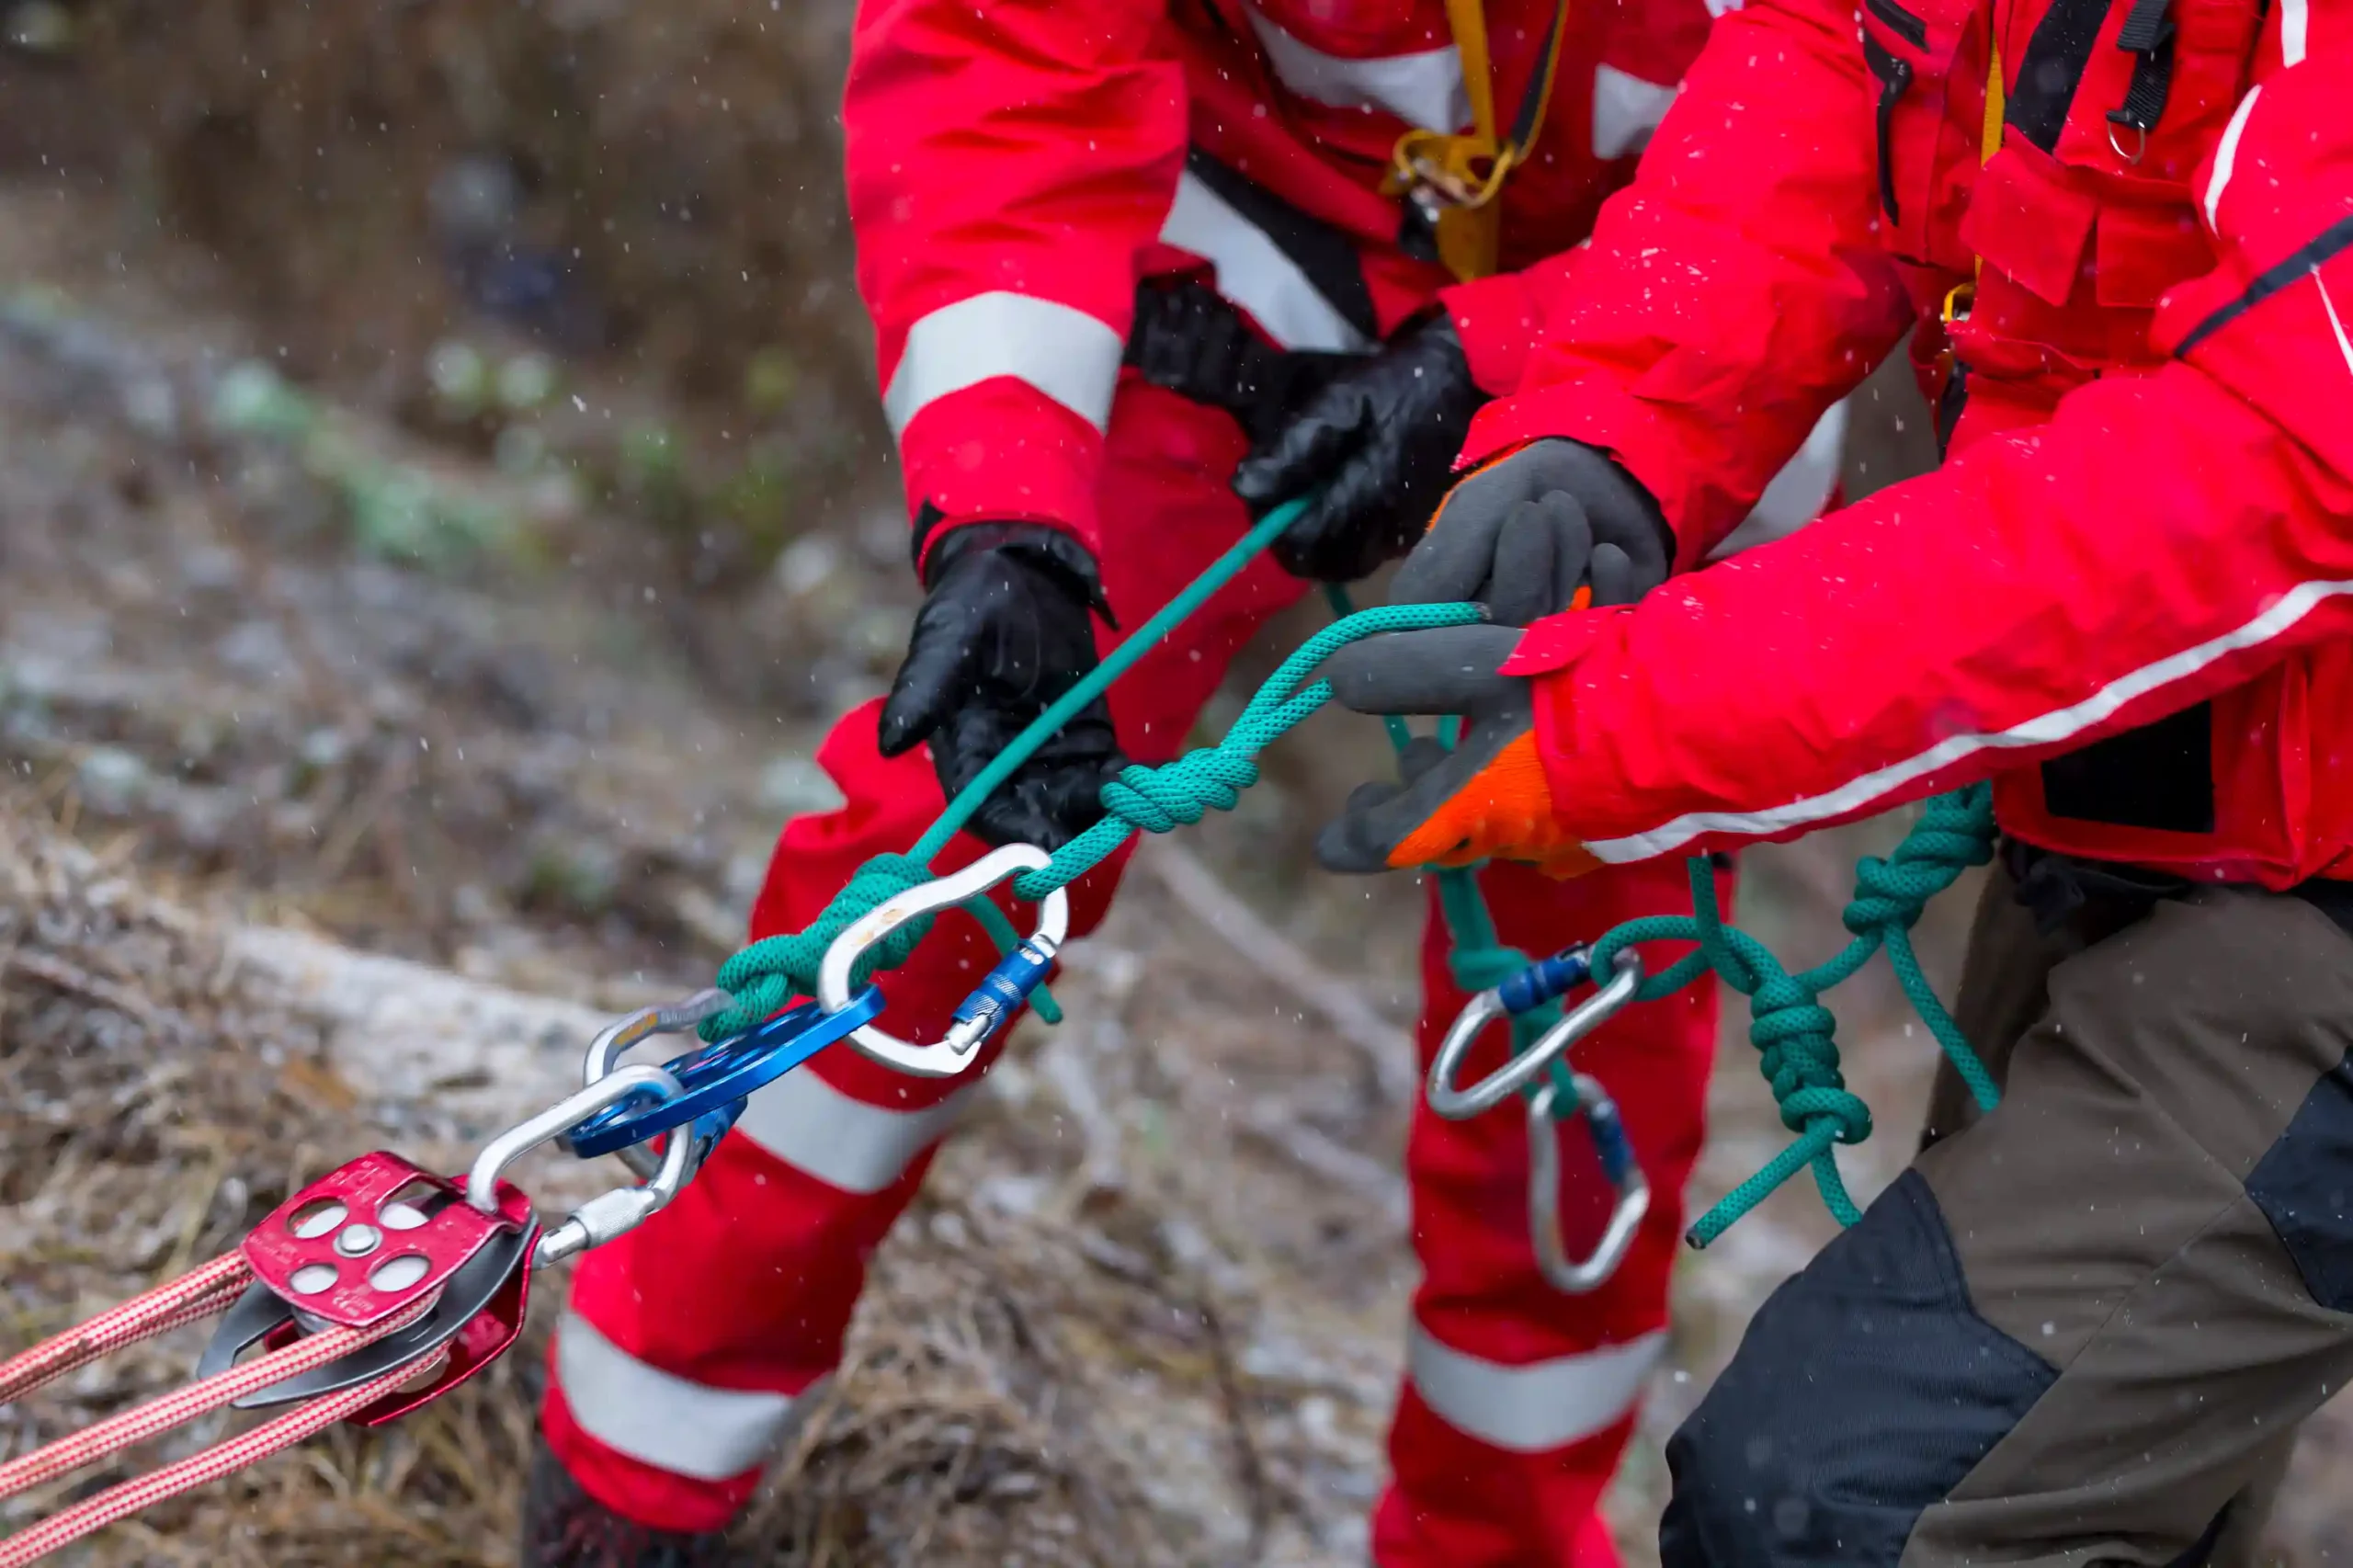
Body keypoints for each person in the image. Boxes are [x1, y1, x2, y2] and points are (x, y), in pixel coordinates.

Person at [517, 3, 1855, 1565]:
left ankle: (1495, 1540)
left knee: (1589, 1000)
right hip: (1231, 246)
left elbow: (1854, 156)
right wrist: (1003, 512)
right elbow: (1002, 52)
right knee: (956, 852)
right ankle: (636, 1470)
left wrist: (1514, 352)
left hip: (1680, 338)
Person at [1307, 0, 2353, 1562]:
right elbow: (1845, 72)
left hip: (2303, 897)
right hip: (2168, 808)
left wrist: (1625, 724)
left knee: (1836, 1510)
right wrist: (1618, 423)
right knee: (2075, 1496)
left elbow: (2261, 474)